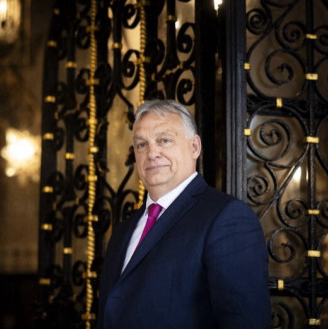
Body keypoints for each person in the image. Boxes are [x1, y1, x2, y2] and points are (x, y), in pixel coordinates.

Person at [98, 99, 270, 329]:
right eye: (141, 145)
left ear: (194, 147)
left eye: (164, 140)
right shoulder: (122, 231)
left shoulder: (227, 218)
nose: (152, 153)